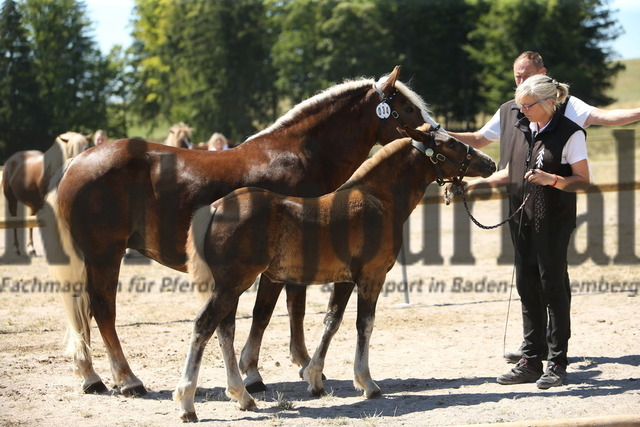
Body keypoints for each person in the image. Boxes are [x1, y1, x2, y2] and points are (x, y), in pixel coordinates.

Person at [448, 51, 640, 362]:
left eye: (526, 76)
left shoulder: (570, 112)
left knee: (552, 281)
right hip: (521, 210)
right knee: (527, 280)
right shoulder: (512, 112)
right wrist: (436, 134)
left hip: (555, 211)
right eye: (517, 76)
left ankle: (555, 350)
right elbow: (481, 141)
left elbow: (607, 118)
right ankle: (533, 348)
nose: (520, 82)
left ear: (543, 74)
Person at [464, 74, 590, 388]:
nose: (521, 111)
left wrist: (553, 180)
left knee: (552, 288)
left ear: (548, 102)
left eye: (528, 105)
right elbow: (512, 171)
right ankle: (531, 361)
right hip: (521, 220)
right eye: (520, 105)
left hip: (554, 222)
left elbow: (582, 181)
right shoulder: (522, 129)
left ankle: (557, 363)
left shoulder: (570, 133)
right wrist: (473, 184)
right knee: (526, 286)